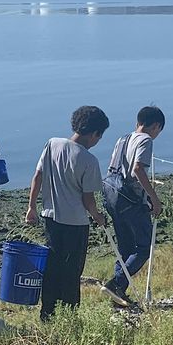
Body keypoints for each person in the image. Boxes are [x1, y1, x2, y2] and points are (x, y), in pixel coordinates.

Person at [25, 105, 110, 321]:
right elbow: (88, 200)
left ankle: (47, 313)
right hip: (75, 224)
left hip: (50, 217)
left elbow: (37, 177)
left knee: (52, 267)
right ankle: (69, 317)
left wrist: (31, 207)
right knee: (71, 272)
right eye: (99, 136)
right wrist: (98, 217)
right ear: (94, 134)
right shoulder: (88, 160)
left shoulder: (52, 144)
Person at [100, 105, 166, 309]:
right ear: (155, 126)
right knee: (144, 247)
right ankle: (116, 284)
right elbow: (137, 169)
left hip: (110, 196)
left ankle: (118, 295)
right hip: (129, 200)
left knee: (125, 248)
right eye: (159, 130)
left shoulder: (123, 139)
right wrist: (154, 199)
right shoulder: (145, 140)